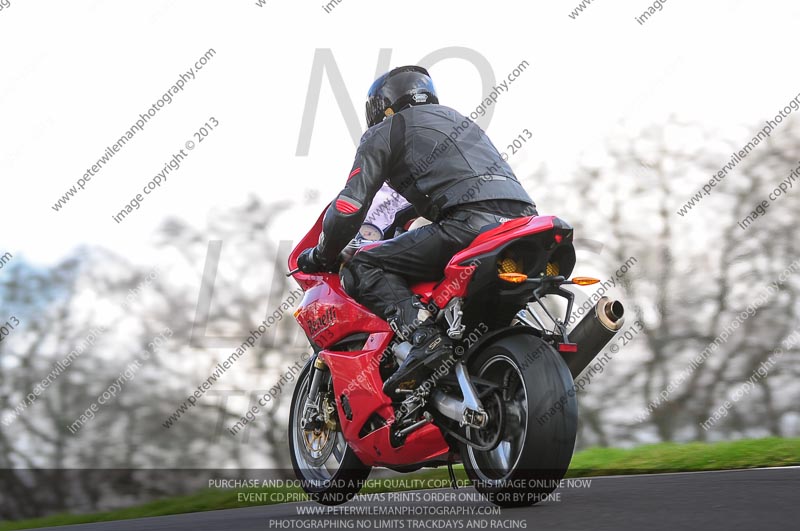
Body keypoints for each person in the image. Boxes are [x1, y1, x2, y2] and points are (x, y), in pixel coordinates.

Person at [297, 65, 536, 397]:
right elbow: (461, 184)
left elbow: (350, 207)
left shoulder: (385, 132)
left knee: (361, 265)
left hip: (467, 225)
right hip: (524, 220)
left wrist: (323, 253)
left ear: (381, 106)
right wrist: (401, 222)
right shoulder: (461, 122)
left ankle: (425, 337)